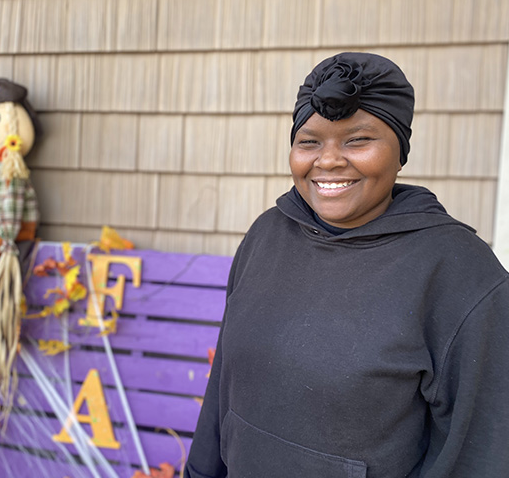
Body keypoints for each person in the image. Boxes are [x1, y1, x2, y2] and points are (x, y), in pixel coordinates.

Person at [185, 53, 509, 477]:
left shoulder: (460, 273)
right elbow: (224, 383)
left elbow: (478, 451)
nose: (329, 160)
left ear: (400, 152)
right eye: (309, 141)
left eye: (358, 140)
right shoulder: (267, 236)